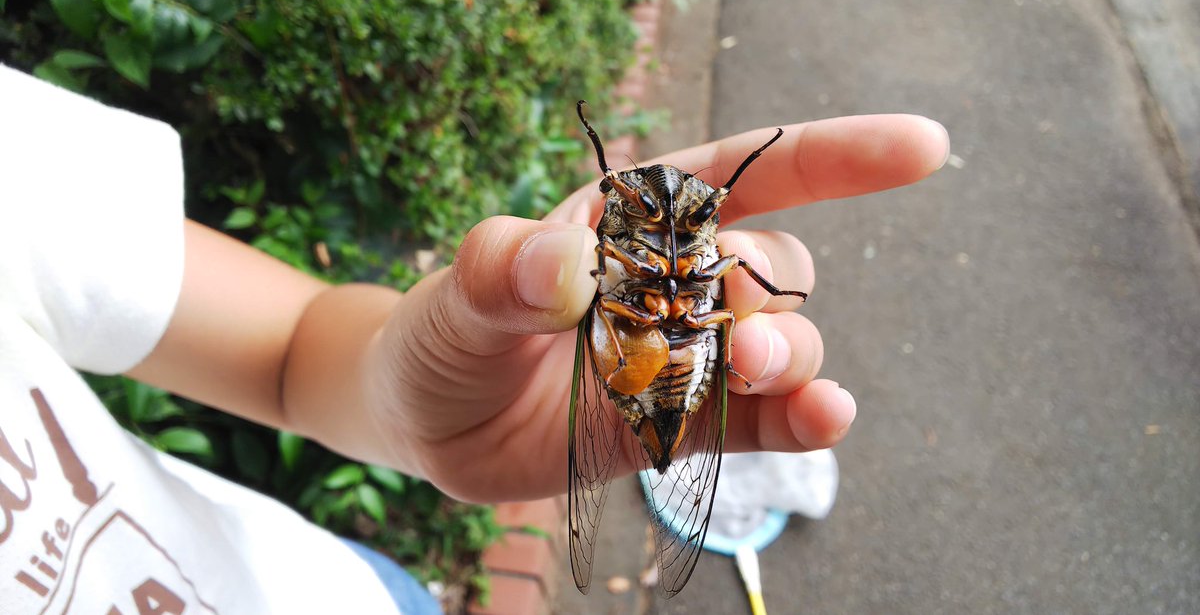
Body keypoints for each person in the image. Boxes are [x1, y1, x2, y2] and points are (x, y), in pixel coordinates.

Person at [0, 64, 948, 612]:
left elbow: (293, 347)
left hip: (343, 592)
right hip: (658, 344)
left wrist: (420, 406)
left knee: (737, 298)